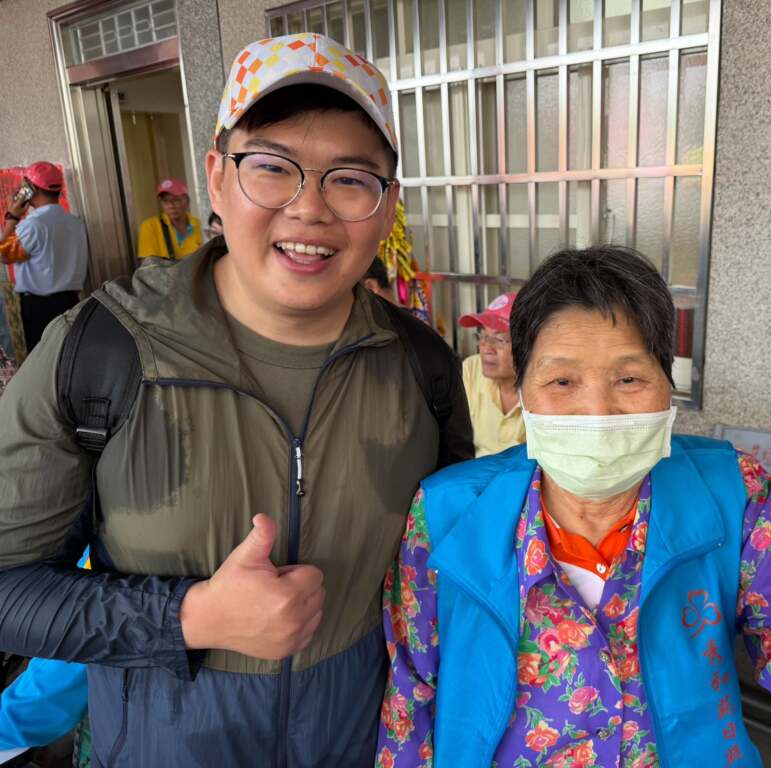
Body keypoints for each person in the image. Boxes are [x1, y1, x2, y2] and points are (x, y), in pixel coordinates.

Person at [0, 32, 471, 767]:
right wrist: (189, 617)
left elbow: (448, 570)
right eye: (272, 168)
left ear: (387, 208)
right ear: (217, 179)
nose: (308, 209)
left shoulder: (422, 366)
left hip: (357, 746)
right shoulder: (98, 353)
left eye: (350, 179)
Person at [376, 246, 771, 767]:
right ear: (525, 390)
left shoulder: (732, 493)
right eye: (562, 381)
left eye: (628, 379)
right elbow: (409, 698)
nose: (597, 412)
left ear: (668, 385)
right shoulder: (446, 513)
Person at [0, 162, 88, 353]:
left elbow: (4, 255)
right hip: (72, 303)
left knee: (44, 360)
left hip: (40, 308)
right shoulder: (75, 222)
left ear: (31, 189)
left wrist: (12, 216)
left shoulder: (33, 225)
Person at [459, 292, 525, 457]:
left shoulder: (541, 385)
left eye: (499, 339)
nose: (486, 348)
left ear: (526, 346)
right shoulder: (471, 369)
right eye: (483, 336)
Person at [135, 178, 203, 260]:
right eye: (165, 201)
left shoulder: (198, 224)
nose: (171, 206)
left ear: (187, 201)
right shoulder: (150, 226)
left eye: (176, 200)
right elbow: (148, 264)